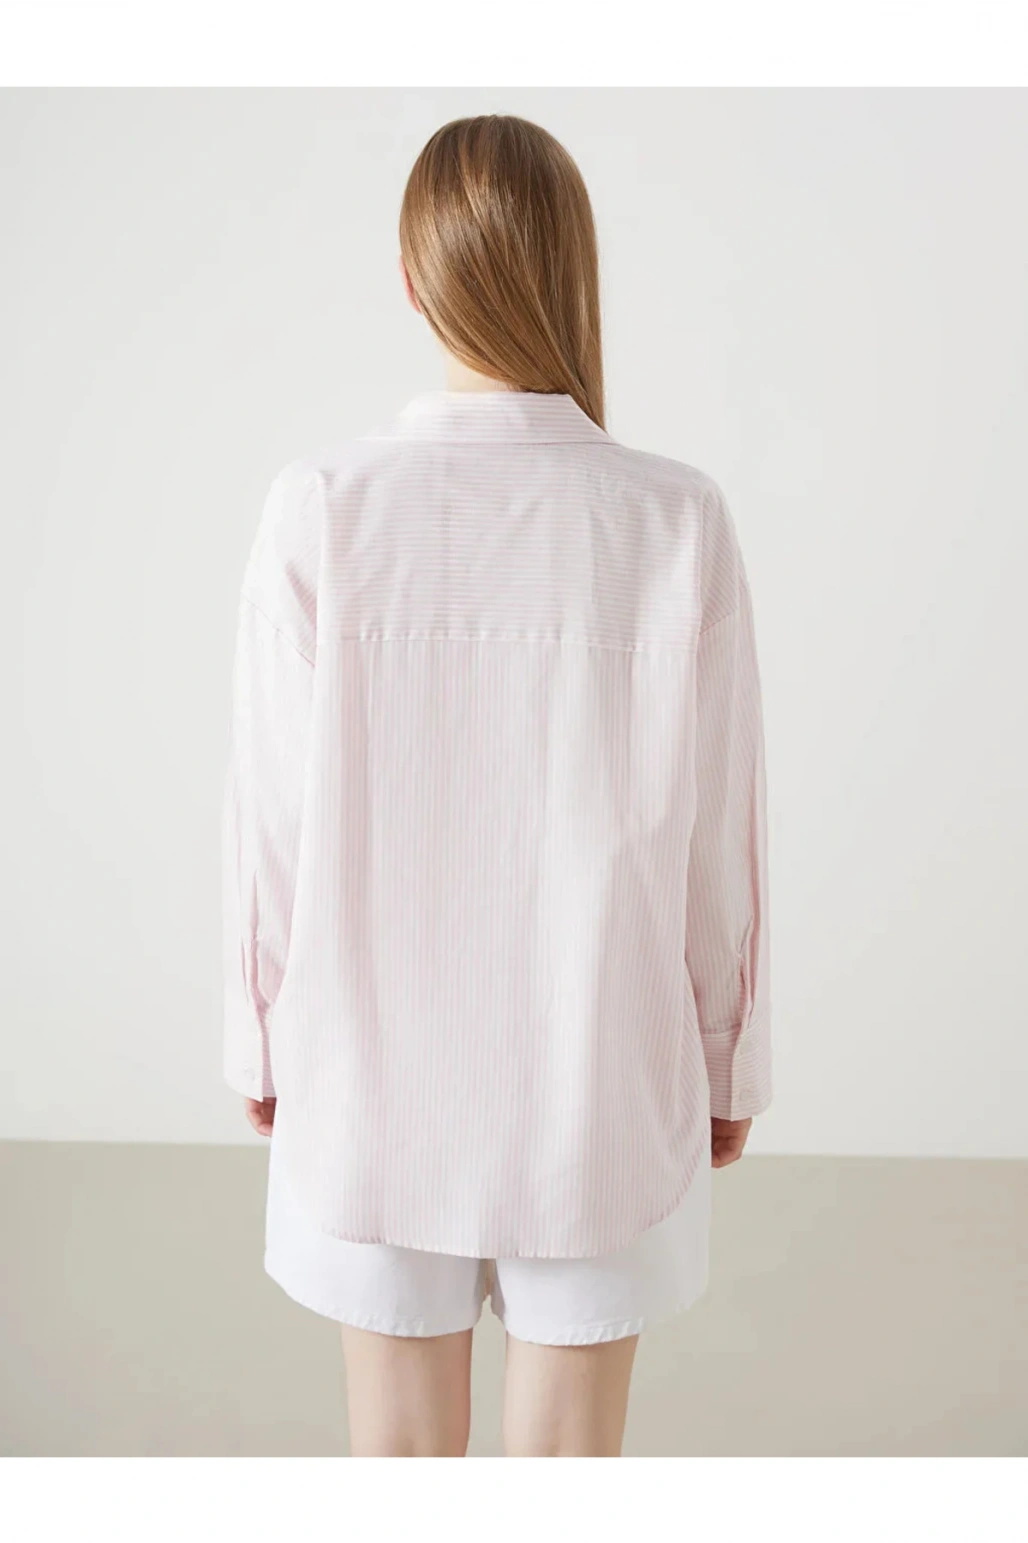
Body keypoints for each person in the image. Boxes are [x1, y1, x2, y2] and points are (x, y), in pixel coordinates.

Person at [221, 113, 771, 1458]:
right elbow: (719, 835)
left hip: (369, 1071)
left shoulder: (322, 506)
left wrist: (260, 1035)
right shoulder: (674, 518)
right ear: (573, 268)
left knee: (402, 1468)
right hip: (600, 1079)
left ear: (414, 281)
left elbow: (270, 824)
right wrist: (727, 1054)